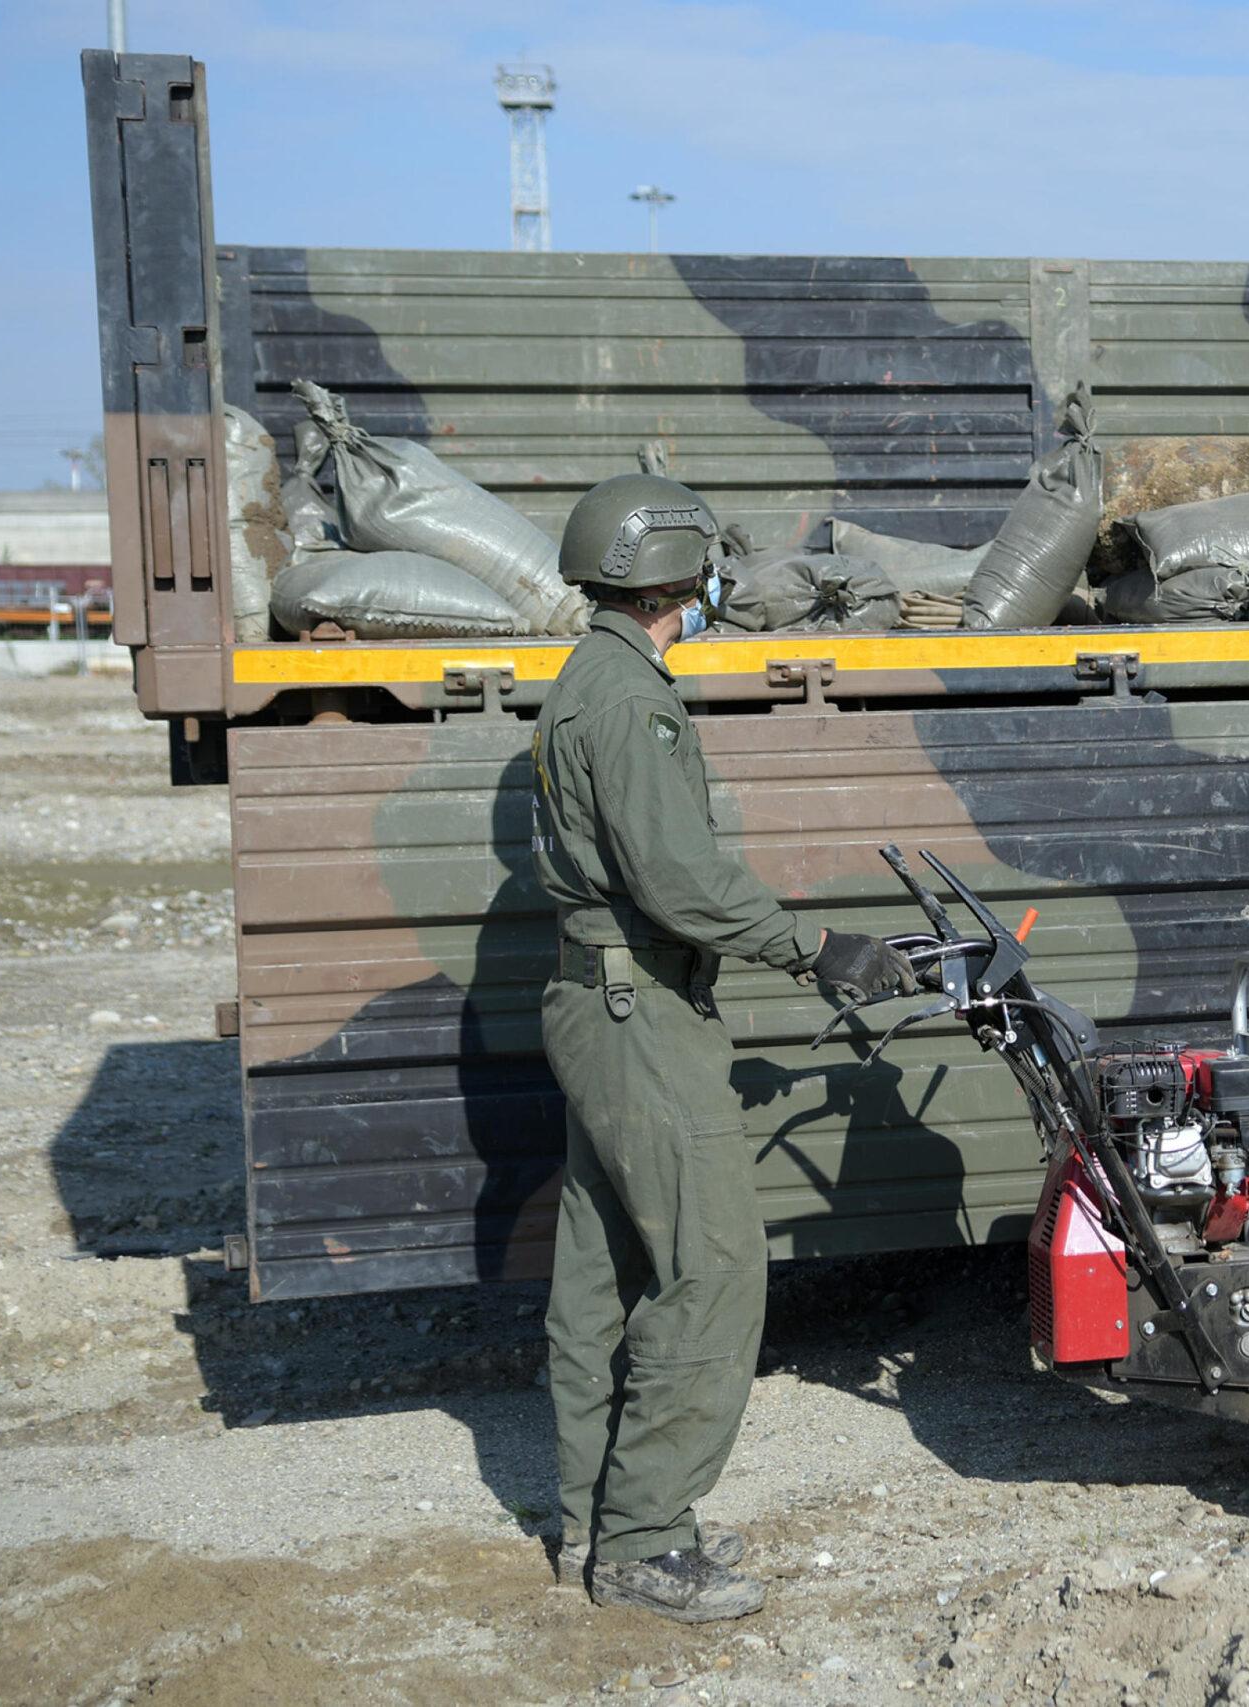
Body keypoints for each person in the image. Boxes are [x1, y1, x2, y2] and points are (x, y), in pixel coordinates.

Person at [529, 472, 914, 1623]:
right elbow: (678, 882)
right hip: (640, 1007)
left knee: (602, 1276)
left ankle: (595, 1525)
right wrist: (817, 947)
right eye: (703, 575)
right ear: (677, 576)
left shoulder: (589, 678)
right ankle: (646, 1540)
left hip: (600, 1005)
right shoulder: (629, 701)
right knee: (713, 1270)